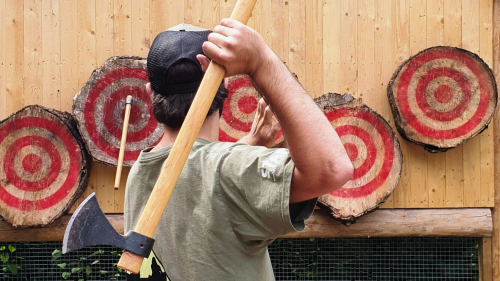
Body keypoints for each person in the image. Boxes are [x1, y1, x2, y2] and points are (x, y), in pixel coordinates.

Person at [124, 20, 353, 281]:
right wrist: (261, 62)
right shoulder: (230, 170)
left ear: (150, 92)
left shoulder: (140, 171)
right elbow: (333, 169)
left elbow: (197, 178)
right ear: (222, 89)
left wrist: (246, 147)